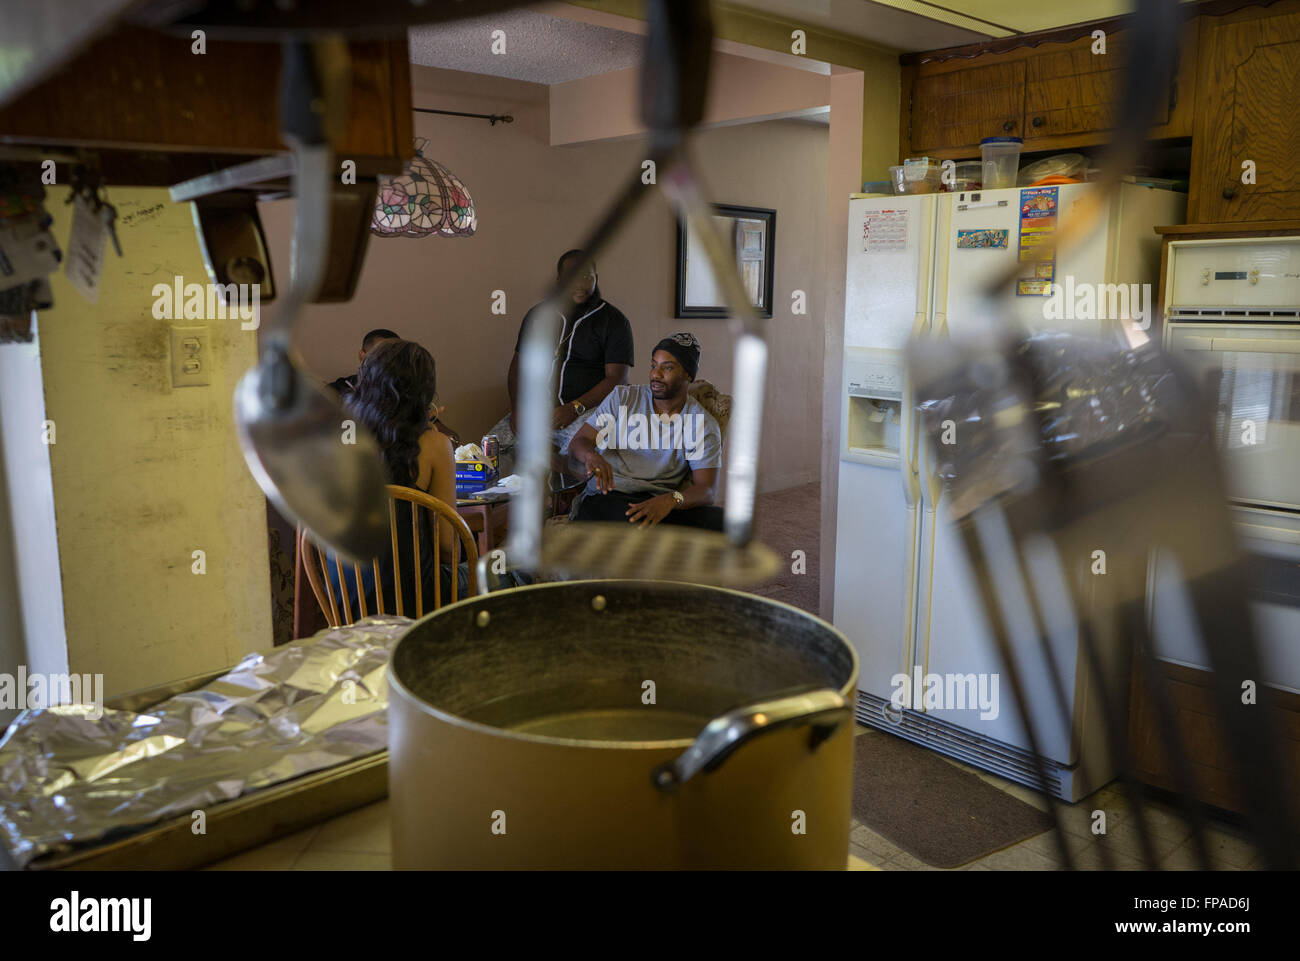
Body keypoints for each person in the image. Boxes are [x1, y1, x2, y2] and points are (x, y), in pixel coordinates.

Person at [327, 340, 516, 614]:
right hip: (415, 601)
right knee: (516, 574)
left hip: (348, 600)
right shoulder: (432, 444)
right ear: (423, 391)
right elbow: (447, 546)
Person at [493, 250, 634, 478]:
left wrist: (574, 407)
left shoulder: (614, 321)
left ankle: (570, 509)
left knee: (585, 466)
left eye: (587, 276)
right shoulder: (537, 315)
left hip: (587, 414)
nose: (580, 283)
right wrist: (518, 408)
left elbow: (618, 379)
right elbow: (517, 368)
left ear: (596, 277)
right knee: (486, 455)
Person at [567, 332, 723, 530]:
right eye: (653, 365)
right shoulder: (623, 398)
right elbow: (579, 442)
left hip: (657, 501)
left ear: (688, 374)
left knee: (724, 522)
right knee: (626, 520)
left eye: (667, 367)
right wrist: (591, 456)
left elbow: (706, 489)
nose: (655, 374)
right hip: (609, 496)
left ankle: (654, 535)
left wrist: (671, 500)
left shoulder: (700, 423)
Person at [328, 328, 460, 446]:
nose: (387, 363)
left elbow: (453, 440)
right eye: (379, 356)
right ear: (362, 356)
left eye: (394, 358)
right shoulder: (338, 391)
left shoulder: (405, 395)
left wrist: (422, 422)